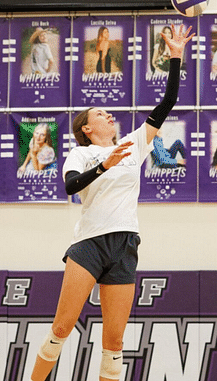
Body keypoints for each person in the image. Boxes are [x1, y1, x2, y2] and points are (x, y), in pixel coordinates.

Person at [29, 23, 194, 381]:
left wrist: (176, 57)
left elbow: (168, 103)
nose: (108, 116)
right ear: (87, 128)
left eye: (107, 113)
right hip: (89, 243)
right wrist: (105, 164)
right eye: (100, 114)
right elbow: (71, 187)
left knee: (115, 340)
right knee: (62, 327)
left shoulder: (134, 143)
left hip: (125, 242)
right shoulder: (80, 153)